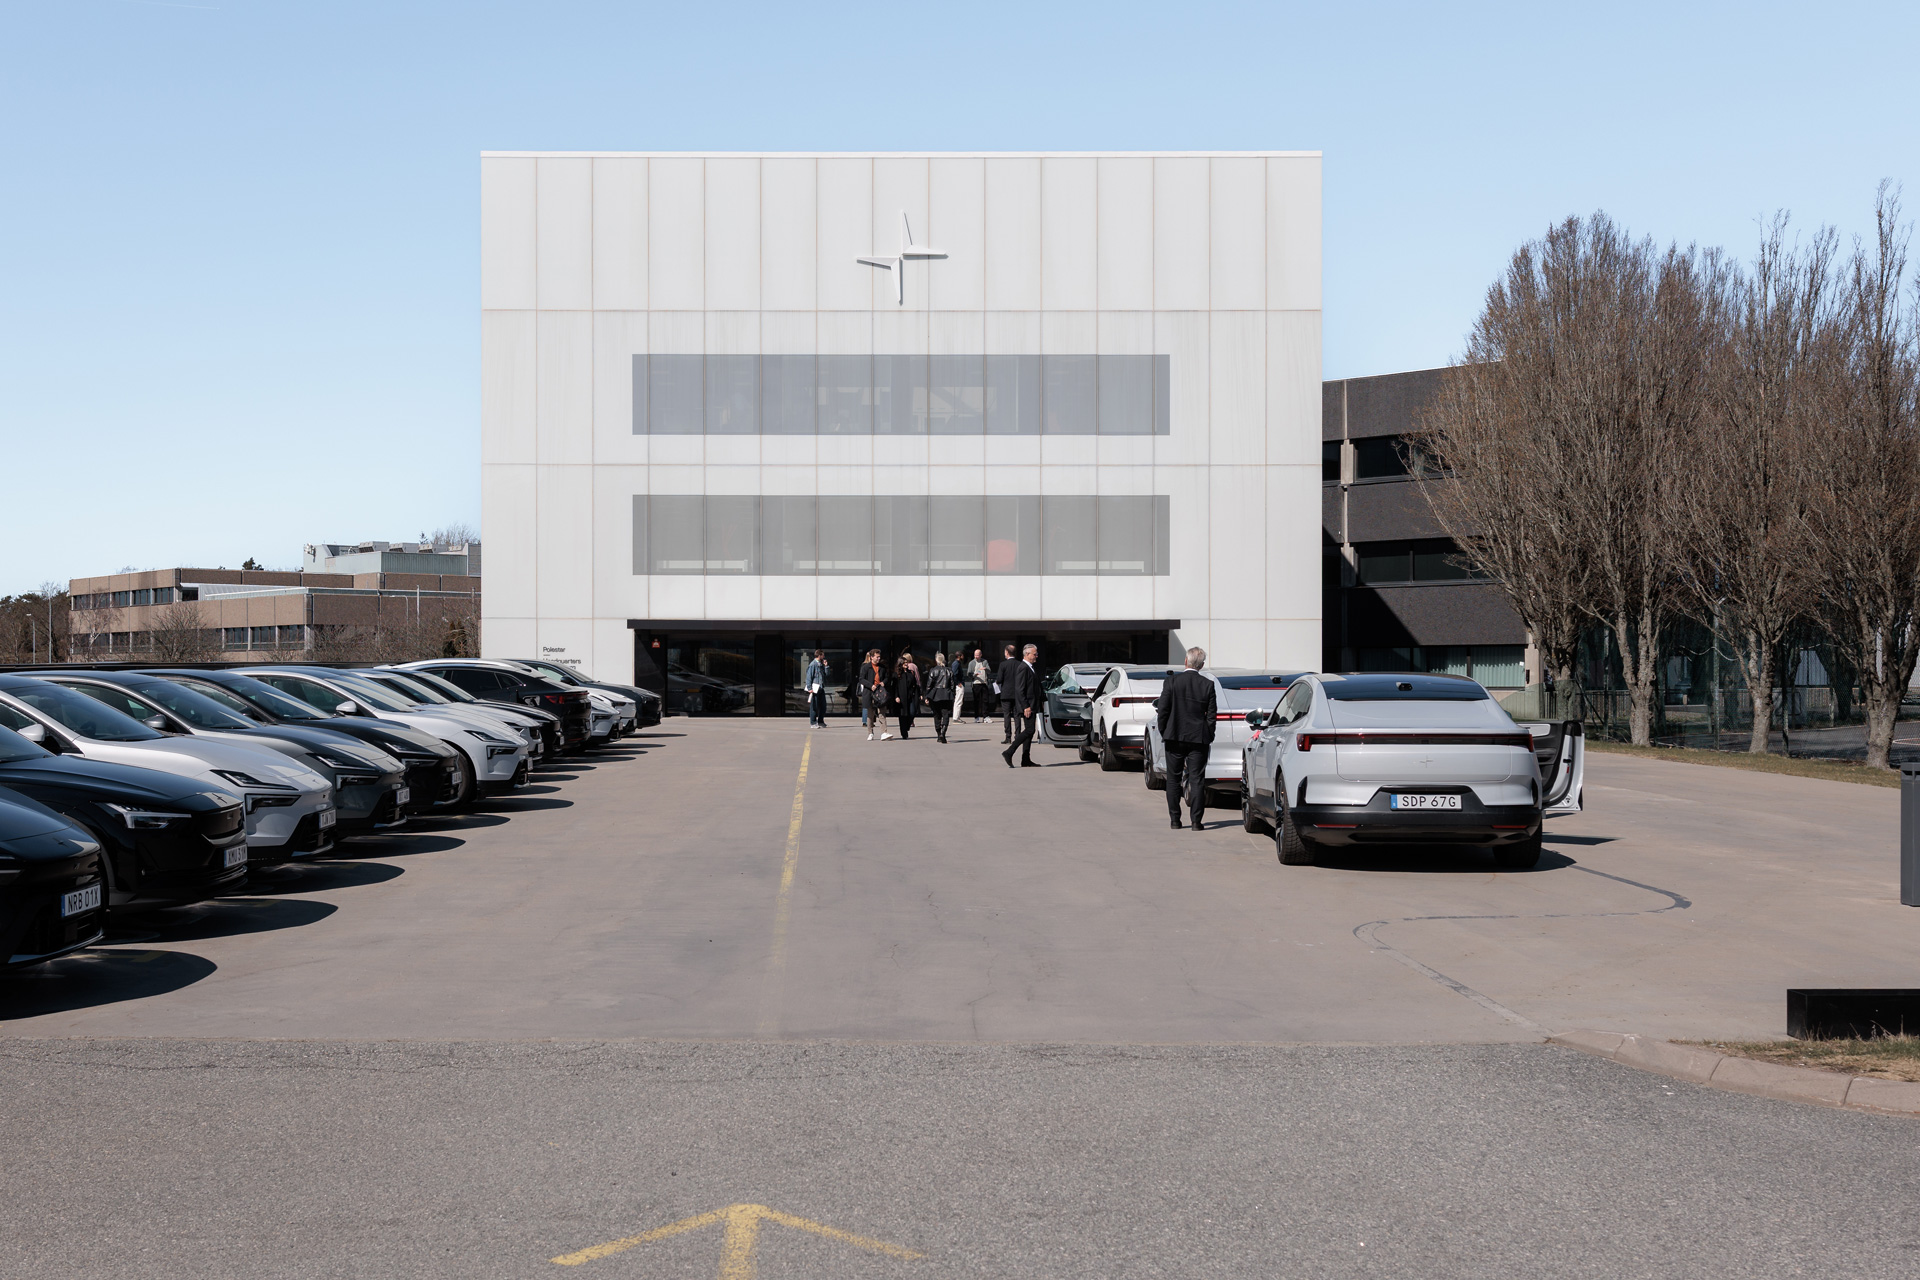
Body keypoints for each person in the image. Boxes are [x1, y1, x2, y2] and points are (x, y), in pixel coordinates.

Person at [1155, 646, 1218, 830]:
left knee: (1173, 779)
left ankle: (1175, 820)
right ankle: (1196, 822)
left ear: (1185, 661)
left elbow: (1162, 711)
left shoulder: (1171, 682)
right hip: (1198, 738)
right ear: (1202, 665)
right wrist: (1209, 735)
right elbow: (1211, 716)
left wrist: (1165, 732)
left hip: (1174, 736)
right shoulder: (1207, 685)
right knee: (1196, 779)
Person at [1002, 644, 1043, 768]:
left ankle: (1025, 759)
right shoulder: (1023, 668)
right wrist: (1026, 706)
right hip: (1027, 706)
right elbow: (1020, 690)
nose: (1036, 656)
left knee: (1030, 732)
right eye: (1035, 654)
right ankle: (1009, 751)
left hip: (1032, 704)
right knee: (1029, 730)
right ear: (1027, 654)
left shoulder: (1030, 667)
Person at [860, 649, 891, 741]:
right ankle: (870, 733)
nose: (879, 658)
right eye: (877, 657)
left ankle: (884, 732)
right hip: (869, 693)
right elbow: (861, 679)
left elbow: (887, 677)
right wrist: (870, 685)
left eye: (879, 657)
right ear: (871, 657)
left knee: (882, 712)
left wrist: (883, 682)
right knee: (870, 714)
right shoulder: (866, 667)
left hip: (880, 693)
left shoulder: (882, 667)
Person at [925, 652, 956, 743]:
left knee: (936, 715)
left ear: (936, 660)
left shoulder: (933, 670)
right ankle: (943, 733)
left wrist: (927, 695)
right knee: (945, 714)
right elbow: (952, 685)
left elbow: (929, 685)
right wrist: (952, 694)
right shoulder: (949, 670)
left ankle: (939, 734)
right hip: (946, 694)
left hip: (935, 694)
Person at [995, 643, 1021, 744]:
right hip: (1017, 694)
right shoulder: (1020, 664)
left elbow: (999, 679)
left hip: (1006, 693)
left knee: (1007, 715)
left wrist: (996, 682)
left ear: (1006, 652)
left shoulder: (1003, 665)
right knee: (1017, 715)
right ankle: (1018, 736)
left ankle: (1008, 737)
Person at [893, 652, 922, 739]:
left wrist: (920, 693)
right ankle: (904, 732)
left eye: (906, 663)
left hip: (911, 696)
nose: (906, 664)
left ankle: (908, 725)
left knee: (912, 712)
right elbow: (894, 687)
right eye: (904, 663)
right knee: (903, 715)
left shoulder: (910, 673)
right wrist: (896, 696)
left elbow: (915, 684)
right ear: (900, 664)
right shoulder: (897, 675)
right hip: (902, 697)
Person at [803, 649, 829, 727]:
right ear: (819, 655)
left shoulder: (821, 665)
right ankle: (813, 722)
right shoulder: (813, 665)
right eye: (823, 655)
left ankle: (820, 721)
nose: (824, 656)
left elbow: (826, 675)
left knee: (823, 706)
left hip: (821, 687)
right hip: (815, 688)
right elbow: (809, 677)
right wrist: (809, 688)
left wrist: (826, 666)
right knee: (814, 706)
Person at [967, 648, 992, 722]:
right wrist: (974, 674)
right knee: (976, 701)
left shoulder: (985, 661)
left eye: (977, 655)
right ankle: (976, 716)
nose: (976, 657)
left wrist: (985, 668)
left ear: (981, 655)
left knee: (985, 700)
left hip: (984, 683)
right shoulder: (971, 663)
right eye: (975, 655)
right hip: (976, 683)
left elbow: (989, 671)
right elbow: (969, 674)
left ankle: (985, 716)